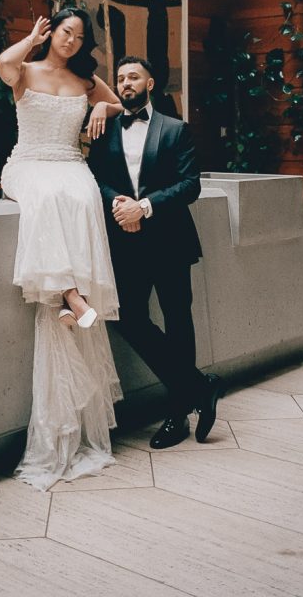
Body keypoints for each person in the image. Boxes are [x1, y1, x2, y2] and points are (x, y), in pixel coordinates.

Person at [0, 8, 123, 490]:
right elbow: (2, 65)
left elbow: (118, 106)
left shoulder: (86, 80)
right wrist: (29, 38)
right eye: (65, 32)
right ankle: (71, 297)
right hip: (28, 164)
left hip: (70, 165)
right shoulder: (25, 69)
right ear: (53, 33)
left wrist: (98, 108)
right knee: (48, 197)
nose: (71, 41)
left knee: (82, 194)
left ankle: (71, 299)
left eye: (79, 36)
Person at [88, 55, 225, 449]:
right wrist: (118, 203)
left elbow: (190, 185)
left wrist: (143, 208)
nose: (126, 83)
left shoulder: (175, 129)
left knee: (179, 320)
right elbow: (95, 179)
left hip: (169, 240)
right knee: (128, 317)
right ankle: (199, 385)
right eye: (121, 79)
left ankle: (177, 414)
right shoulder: (104, 130)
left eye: (134, 77)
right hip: (125, 242)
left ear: (149, 84)